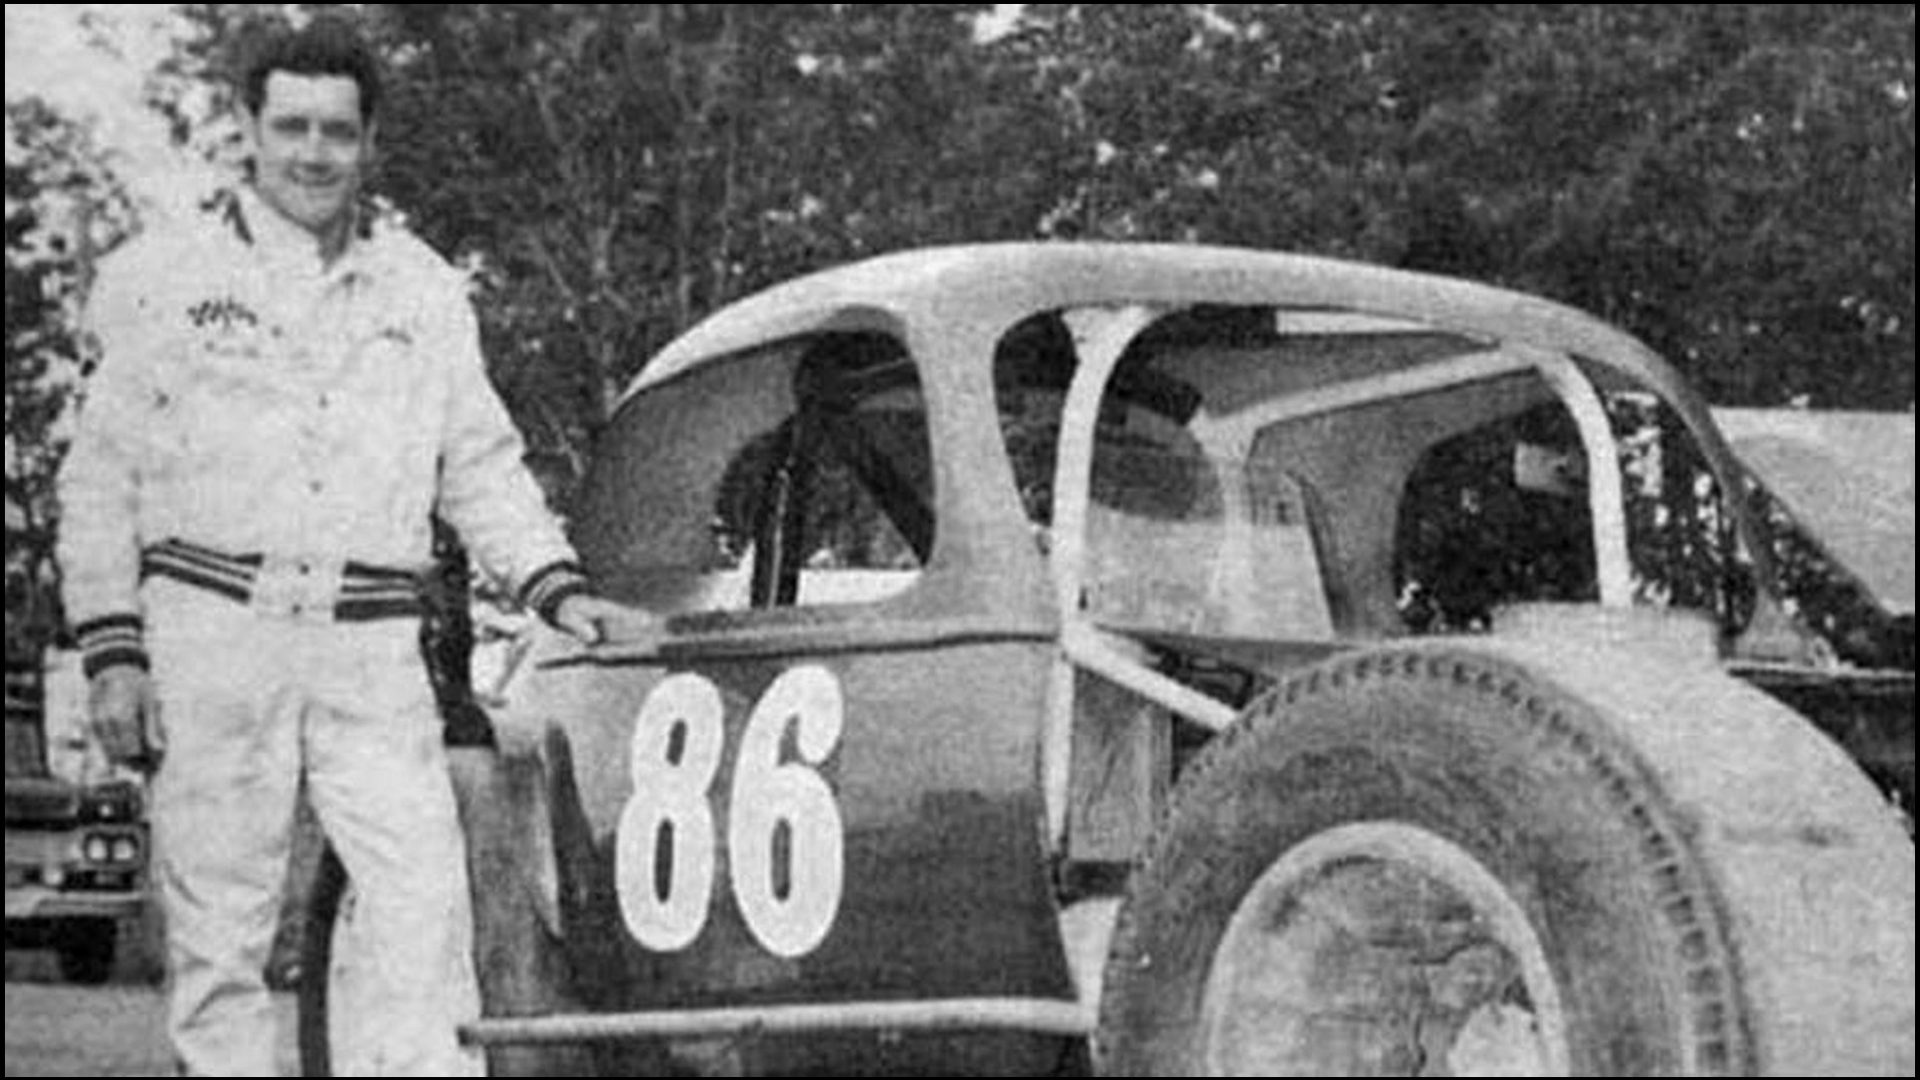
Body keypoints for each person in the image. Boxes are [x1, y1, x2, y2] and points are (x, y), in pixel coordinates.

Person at [56, 16, 642, 1077]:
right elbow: (100, 478)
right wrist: (113, 651)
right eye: (291, 127)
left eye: (337, 130)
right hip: (212, 630)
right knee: (221, 937)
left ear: (369, 139)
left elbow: (480, 463)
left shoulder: (422, 290)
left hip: (371, 644)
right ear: (247, 127)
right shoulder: (164, 279)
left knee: (422, 915)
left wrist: (557, 589)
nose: (313, 153)